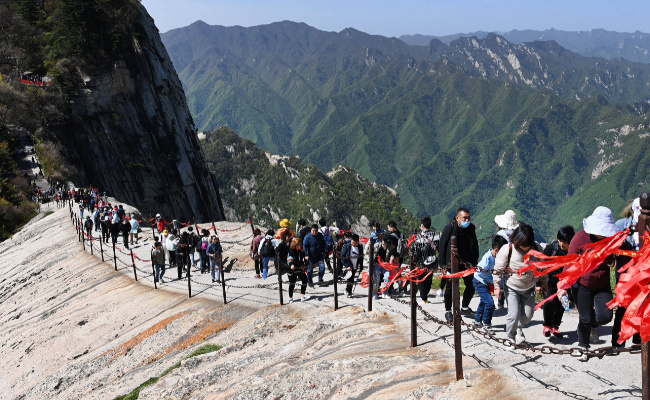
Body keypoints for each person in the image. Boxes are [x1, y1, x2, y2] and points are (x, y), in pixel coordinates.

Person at [556, 207, 631, 361]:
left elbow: (627, 255)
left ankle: (593, 326)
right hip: (583, 285)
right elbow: (569, 263)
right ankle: (583, 346)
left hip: (602, 285)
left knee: (605, 317)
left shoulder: (613, 239)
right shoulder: (580, 238)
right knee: (585, 318)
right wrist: (563, 287)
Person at [493, 223, 548, 344]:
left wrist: (544, 282)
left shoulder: (537, 248)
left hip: (529, 287)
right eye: (522, 244)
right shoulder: (508, 249)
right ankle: (510, 338)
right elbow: (497, 270)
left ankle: (518, 327)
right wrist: (497, 287)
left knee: (528, 315)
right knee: (513, 314)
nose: (525, 247)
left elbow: (542, 267)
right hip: (512, 286)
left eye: (527, 245)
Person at [439, 208, 480, 322]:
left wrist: (474, 262)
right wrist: (442, 265)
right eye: (464, 218)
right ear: (457, 218)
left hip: (467, 263)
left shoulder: (471, 228)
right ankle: (448, 311)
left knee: (471, 286)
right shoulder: (450, 229)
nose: (467, 220)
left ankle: (465, 307)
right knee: (450, 287)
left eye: (468, 217)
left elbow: (474, 245)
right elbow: (442, 246)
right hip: (451, 263)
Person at [541, 225, 575, 338]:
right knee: (549, 302)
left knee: (561, 305)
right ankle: (547, 325)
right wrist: (539, 283)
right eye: (560, 240)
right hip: (550, 281)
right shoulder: (552, 248)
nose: (561, 244)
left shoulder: (574, 251)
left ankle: (555, 326)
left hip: (565, 283)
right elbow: (540, 265)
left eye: (564, 242)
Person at [474, 236, 508, 331]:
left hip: (486, 281)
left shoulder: (496, 257)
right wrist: (496, 282)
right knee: (490, 303)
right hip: (479, 281)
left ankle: (477, 321)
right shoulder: (487, 259)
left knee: (484, 301)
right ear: (497, 250)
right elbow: (481, 273)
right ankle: (487, 323)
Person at [494, 210, 519, 308]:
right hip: (515, 258)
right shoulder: (517, 232)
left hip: (503, 257)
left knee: (503, 279)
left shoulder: (501, 233)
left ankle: (501, 301)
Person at [410, 215, 438, 303]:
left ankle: (424, 298)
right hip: (432, 261)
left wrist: (415, 260)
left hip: (422, 262)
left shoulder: (418, 237)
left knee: (422, 280)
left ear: (422, 225)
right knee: (429, 279)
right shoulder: (436, 235)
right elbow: (438, 247)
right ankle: (425, 297)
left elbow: (416, 251)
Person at [287, 238, 308, 302]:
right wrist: (291, 265)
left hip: (300, 268)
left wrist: (306, 258)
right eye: (299, 244)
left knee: (305, 280)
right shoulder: (291, 251)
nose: (300, 245)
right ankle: (290, 298)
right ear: (295, 245)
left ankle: (302, 296)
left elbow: (303, 258)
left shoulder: (301, 251)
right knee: (292, 283)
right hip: (292, 269)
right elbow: (290, 259)